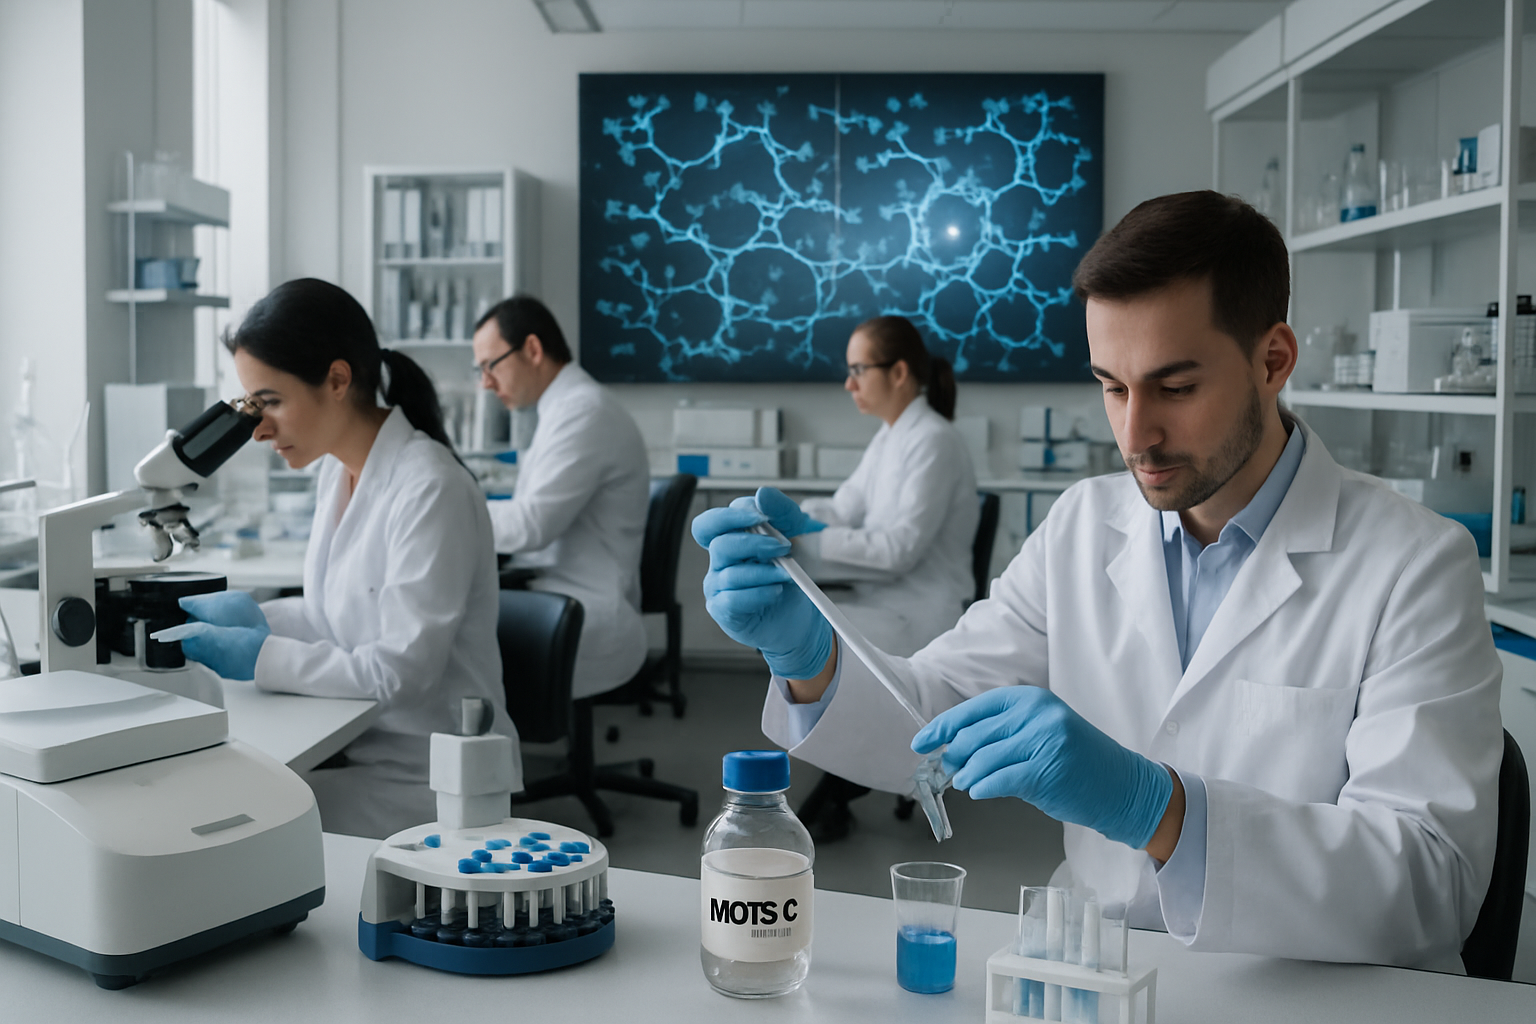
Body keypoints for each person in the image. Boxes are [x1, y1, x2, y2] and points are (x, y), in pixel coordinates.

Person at [692, 191, 1503, 970]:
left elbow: (1432, 887)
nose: (1135, 433)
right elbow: (933, 725)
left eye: (1175, 388)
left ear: (1274, 360)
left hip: (1312, 990)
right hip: (1093, 969)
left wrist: (1158, 810)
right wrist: (811, 660)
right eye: (1111, 387)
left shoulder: (1414, 564)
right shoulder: (1085, 524)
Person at [165, 278, 517, 840]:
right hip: (363, 745)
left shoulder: (431, 488)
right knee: (220, 806)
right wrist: (260, 617)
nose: (257, 430)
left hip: (429, 778)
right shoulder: (338, 468)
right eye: (252, 406)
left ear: (337, 380)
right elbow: (338, 616)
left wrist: (260, 656)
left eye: (271, 402)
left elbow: (401, 673)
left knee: (221, 827)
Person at [790, 315, 978, 841]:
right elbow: (845, 506)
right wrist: (795, 514)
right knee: (807, 643)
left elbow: (898, 550)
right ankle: (842, 784)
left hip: (921, 610)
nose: (849, 384)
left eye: (858, 370)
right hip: (888, 600)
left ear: (898, 372)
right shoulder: (892, 436)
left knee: (821, 648)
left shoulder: (933, 441)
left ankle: (837, 791)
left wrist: (806, 538)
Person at [472, 296, 650, 699]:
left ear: (532, 350)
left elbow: (530, 526)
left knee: (446, 630)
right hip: (557, 593)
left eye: (490, 366)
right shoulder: (565, 409)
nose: (485, 383)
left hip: (580, 609)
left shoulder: (584, 412)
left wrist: (449, 510)